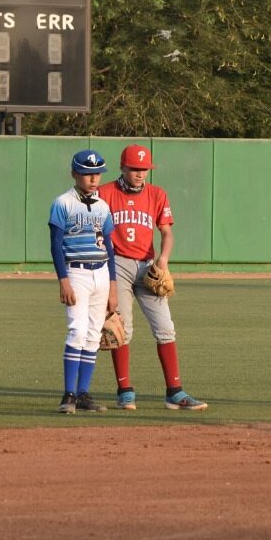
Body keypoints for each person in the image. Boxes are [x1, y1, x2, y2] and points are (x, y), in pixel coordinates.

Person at [97, 144, 206, 410]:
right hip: (117, 264)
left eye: (144, 169)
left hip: (148, 266)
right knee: (121, 329)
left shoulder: (157, 194)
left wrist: (164, 260)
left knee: (165, 327)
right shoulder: (106, 193)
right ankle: (124, 391)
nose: (140, 173)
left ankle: (175, 392)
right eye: (135, 168)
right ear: (123, 167)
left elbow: (166, 232)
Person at [50, 150, 118, 414]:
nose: (93, 178)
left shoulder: (102, 206)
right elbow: (56, 245)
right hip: (75, 272)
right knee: (77, 331)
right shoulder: (62, 203)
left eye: (97, 173)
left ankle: (83, 394)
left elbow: (109, 247)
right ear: (74, 174)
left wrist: (113, 285)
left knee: (92, 336)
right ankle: (68, 394)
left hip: (101, 273)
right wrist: (63, 280)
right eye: (87, 173)